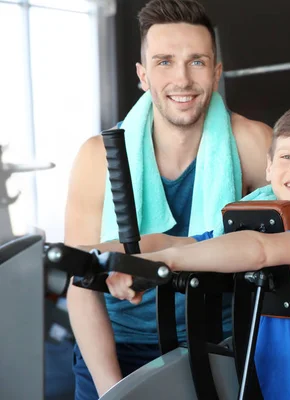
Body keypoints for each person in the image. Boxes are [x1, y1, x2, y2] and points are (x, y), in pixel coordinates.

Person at [93, 103, 290, 400]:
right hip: (266, 386)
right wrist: (100, 254)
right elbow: (182, 243)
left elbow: (260, 250)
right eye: (287, 156)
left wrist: (162, 262)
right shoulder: (259, 210)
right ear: (269, 166)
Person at [64, 0, 272, 398]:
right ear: (142, 75)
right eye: (164, 62)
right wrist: (114, 392)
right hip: (117, 346)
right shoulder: (98, 156)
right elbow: (81, 284)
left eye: (196, 61)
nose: (182, 79)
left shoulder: (251, 142)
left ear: (216, 71)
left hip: (221, 339)